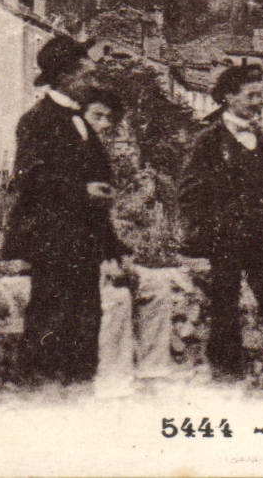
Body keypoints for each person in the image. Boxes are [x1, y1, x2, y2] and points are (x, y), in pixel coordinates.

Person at [4, 34, 129, 387]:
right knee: (49, 320)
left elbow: (96, 182)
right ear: (64, 76)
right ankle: (38, 395)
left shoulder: (81, 122)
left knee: (86, 320)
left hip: (82, 242)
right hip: (50, 238)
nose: (93, 81)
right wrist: (81, 190)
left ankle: (77, 397)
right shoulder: (37, 120)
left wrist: (112, 247)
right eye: (87, 75)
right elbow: (29, 179)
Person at [178, 65, 263, 388]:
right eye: (251, 96)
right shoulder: (208, 141)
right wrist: (213, 231)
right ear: (228, 97)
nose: (258, 102)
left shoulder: (259, 139)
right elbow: (188, 194)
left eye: (260, 95)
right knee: (225, 306)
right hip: (225, 241)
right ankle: (226, 376)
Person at [79, 90, 175, 398]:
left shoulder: (99, 159)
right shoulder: (67, 159)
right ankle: (114, 383)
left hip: (102, 256)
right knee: (117, 299)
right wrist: (100, 260)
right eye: (97, 116)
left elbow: (102, 224)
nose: (105, 124)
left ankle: (152, 376)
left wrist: (118, 256)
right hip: (73, 260)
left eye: (109, 118)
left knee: (157, 288)